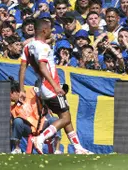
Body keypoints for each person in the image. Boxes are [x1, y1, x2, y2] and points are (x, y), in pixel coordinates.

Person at [18, 18, 93, 154]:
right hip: (51, 86)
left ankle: (78, 147)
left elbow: (22, 67)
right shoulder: (44, 47)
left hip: (42, 87)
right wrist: (55, 86)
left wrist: (21, 89)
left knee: (65, 116)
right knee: (66, 118)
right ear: (44, 30)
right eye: (50, 30)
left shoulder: (28, 46)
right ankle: (40, 138)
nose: (52, 32)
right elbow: (42, 66)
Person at [10, 77, 62, 154]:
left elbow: (41, 90)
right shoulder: (13, 108)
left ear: (15, 92)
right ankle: (17, 149)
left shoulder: (31, 93)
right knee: (17, 121)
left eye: (9, 94)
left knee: (54, 120)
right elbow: (13, 125)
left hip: (43, 125)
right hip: (29, 129)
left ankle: (57, 150)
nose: (9, 97)